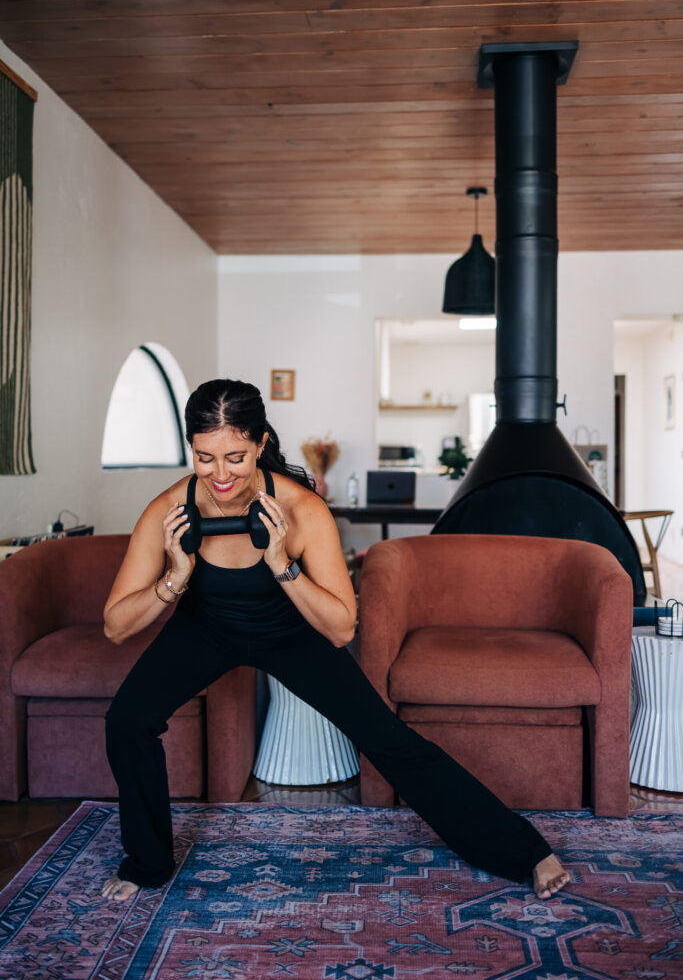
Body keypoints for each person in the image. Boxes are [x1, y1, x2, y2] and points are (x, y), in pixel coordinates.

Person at [101, 378, 570, 904]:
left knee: (388, 741)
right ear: (191, 447)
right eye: (205, 458)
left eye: (235, 457)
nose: (221, 475)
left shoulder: (303, 510)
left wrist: (281, 564)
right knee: (127, 720)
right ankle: (148, 862)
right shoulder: (169, 510)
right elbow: (116, 625)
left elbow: (343, 627)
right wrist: (174, 577)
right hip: (203, 627)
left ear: (260, 443)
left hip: (290, 631)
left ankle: (524, 851)